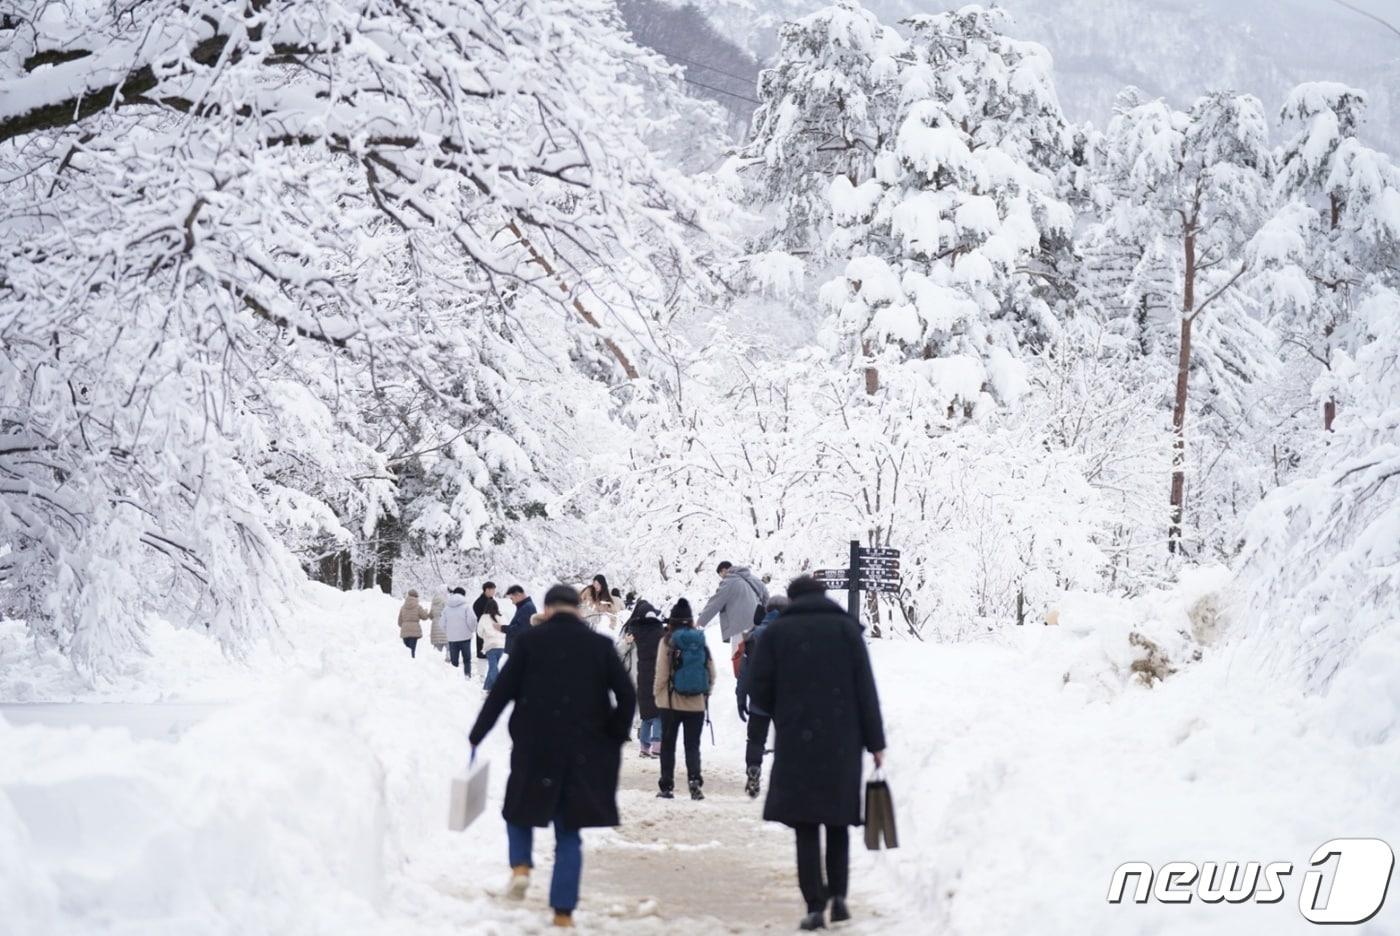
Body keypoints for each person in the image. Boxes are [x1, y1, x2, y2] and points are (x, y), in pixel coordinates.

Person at [469, 585, 637, 930]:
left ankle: (520, 867)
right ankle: (562, 913)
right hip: (583, 752)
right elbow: (627, 695)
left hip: (534, 745)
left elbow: (501, 694)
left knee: (518, 810)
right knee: (569, 832)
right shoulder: (599, 646)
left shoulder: (530, 643)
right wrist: (614, 734)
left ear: (546, 610)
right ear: (578, 609)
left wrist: (477, 735)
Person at [748, 576, 886, 932]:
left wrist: (786, 710)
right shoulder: (846, 630)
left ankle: (814, 904)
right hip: (842, 740)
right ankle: (839, 897)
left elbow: (758, 689)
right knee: (837, 821)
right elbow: (865, 690)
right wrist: (876, 743)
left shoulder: (779, 634)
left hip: (797, 741)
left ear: (793, 599)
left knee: (806, 825)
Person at [652, 599, 715, 800]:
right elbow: (711, 672)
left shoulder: (667, 640)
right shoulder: (699, 640)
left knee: (668, 745)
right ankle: (695, 782)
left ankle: (667, 786)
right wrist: (705, 692)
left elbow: (661, 672)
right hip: (696, 704)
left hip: (670, 702)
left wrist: (657, 693)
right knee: (692, 745)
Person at [736, 594, 788, 797]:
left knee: (756, 738)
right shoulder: (791, 633)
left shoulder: (753, 635)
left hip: (759, 697)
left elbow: (745, 671)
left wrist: (741, 697)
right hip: (785, 698)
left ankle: (754, 768)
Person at [697, 561, 769, 663]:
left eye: (721, 574)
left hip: (740, 626)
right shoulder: (753, 578)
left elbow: (714, 603)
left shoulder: (729, 581)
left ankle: (742, 677)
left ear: (724, 570)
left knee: (739, 656)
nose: (722, 577)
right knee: (757, 655)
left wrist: (699, 623)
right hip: (757, 624)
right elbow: (766, 597)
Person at [620, 600, 666, 758]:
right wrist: (626, 643)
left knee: (646, 713)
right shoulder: (633, 631)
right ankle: (653, 745)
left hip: (643, 675)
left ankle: (645, 746)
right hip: (637, 675)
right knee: (653, 712)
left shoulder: (638, 630)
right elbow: (618, 652)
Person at [442, 587, 474, 678]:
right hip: (465, 637)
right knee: (467, 659)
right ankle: (467, 676)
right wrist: (471, 630)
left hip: (452, 639)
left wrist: (448, 632)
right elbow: (472, 620)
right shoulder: (467, 607)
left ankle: (455, 679)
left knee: (454, 661)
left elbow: (442, 623)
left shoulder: (446, 608)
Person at [477, 597, 508, 690]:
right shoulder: (502, 617)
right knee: (493, 667)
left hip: (490, 646)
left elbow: (479, 632)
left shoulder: (484, 617)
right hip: (501, 646)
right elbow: (506, 629)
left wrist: (485, 637)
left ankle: (500, 687)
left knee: (492, 667)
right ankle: (486, 688)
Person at [504, 585, 536, 656]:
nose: (512, 602)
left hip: (521, 650)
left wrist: (503, 628)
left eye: (512, 599)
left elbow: (520, 629)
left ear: (518, 595)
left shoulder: (527, 607)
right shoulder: (524, 607)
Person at [397, 590, 430, 657]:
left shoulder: (403, 607)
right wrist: (426, 611)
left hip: (405, 631)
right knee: (412, 650)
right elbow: (425, 617)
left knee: (406, 651)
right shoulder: (418, 607)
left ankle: (407, 664)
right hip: (414, 632)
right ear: (416, 597)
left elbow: (399, 622)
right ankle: (412, 662)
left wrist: (405, 625)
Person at [473, 581, 498, 659]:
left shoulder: (493, 601)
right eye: (493, 590)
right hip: (482, 629)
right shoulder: (478, 602)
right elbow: (477, 616)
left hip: (492, 629)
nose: (494, 592)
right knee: (482, 654)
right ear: (487, 590)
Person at [429, 588, 448, 655]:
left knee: (437, 652)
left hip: (435, 628)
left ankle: (437, 663)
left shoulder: (433, 603)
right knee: (448, 646)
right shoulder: (445, 601)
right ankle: (448, 659)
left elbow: (430, 616)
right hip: (444, 626)